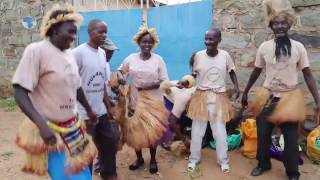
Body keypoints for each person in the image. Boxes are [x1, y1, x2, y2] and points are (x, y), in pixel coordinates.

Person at [12, 4, 97, 180]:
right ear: (55, 30)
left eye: (75, 32)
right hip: (52, 131)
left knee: (83, 173)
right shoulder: (36, 51)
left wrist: (88, 109)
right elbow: (20, 91)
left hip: (73, 127)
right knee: (67, 176)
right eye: (70, 32)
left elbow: (77, 86)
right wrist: (42, 126)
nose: (74, 37)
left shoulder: (69, 55)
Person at [241, 1, 320, 180]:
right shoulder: (264, 47)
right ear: (271, 26)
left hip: (289, 99)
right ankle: (263, 163)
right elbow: (256, 71)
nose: (280, 26)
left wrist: (318, 100)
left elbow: (308, 74)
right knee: (263, 133)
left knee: (291, 139)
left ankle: (292, 171)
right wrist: (246, 91)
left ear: (289, 24)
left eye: (283, 23)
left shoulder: (299, 48)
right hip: (267, 97)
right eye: (276, 23)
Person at [115, 27, 169, 174]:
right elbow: (121, 70)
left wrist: (147, 85)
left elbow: (165, 81)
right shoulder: (131, 58)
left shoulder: (158, 60)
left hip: (154, 101)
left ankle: (152, 159)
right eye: (144, 42)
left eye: (150, 42)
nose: (147, 44)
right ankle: (139, 158)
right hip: (134, 100)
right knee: (135, 131)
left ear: (153, 44)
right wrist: (120, 76)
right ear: (139, 42)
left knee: (151, 132)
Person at [186, 28, 240, 173]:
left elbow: (232, 71)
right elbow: (192, 76)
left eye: (211, 39)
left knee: (220, 132)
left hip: (219, 98)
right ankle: (193, 159)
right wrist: (185, 82)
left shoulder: (225, 56)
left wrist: (236, 87)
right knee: (197, 131)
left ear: (219, 40)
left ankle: (223, 161)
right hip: (201, 97)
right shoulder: (198, 56)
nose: (208, 42)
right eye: (206, 39)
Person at [72, 19, 119, 180]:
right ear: (90, 32)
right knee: (87, 153)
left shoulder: (102, 54)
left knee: (109, 144)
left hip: (101, 112)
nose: (104, 35)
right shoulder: (78, 53)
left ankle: (108, 175)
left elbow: (102, 84)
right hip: (84, 115)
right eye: (100, 32)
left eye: (106, 32)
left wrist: (108, 105)